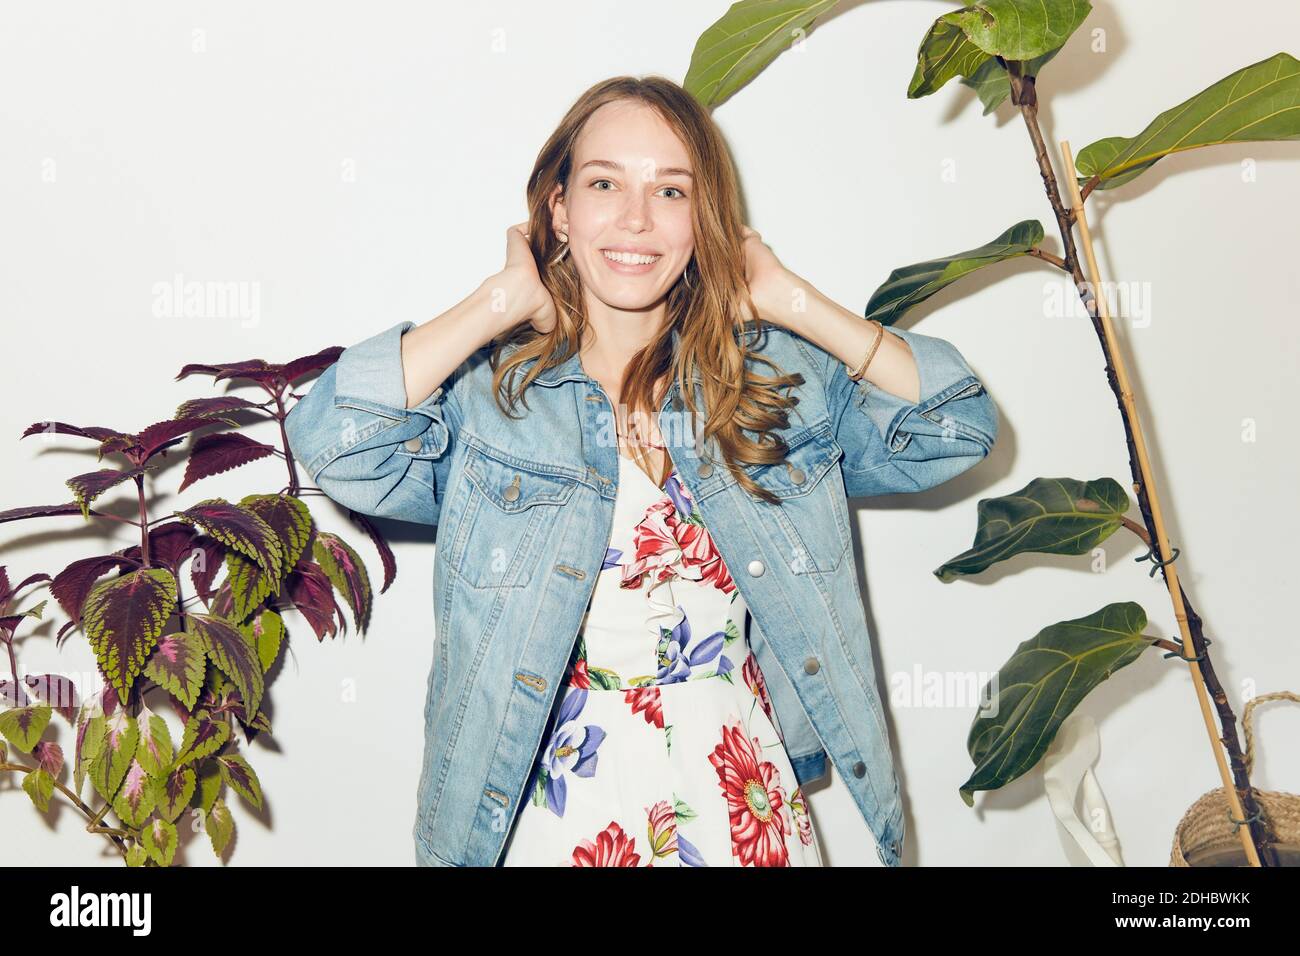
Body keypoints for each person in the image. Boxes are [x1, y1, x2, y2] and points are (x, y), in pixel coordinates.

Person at [284, 74, 998, 867]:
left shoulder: (776, 388)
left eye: (671, 190)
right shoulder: (487, 400)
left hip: (740, 799)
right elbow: (335, 440)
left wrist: (789, 298)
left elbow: (957, 426)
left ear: (704, 219)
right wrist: (501, 298)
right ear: (558, 209)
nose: (635, 219)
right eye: (603, 184)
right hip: (550, 804)